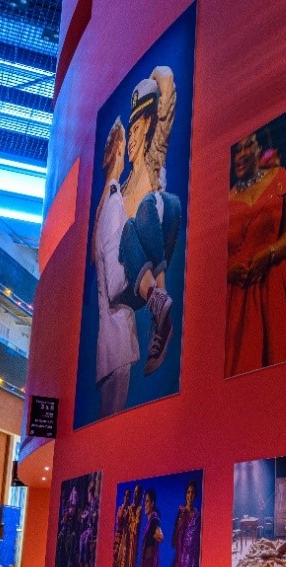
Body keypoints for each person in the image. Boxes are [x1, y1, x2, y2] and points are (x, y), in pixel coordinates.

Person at [115, 71, 182, 376]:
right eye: (129, 131)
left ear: (148, 127)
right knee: (130, 226)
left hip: (154, 244)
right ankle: (158, 305)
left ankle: (160, 303)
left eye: (137, 128)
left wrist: (154, 77)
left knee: (165, 203)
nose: (131, 139)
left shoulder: (153, 160)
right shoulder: (121, 188)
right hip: (128, 280)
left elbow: (167, 83)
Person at [226, 130, 286, 375]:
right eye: (236, 151)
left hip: (274, 287)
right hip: (237, 297)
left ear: (260, 149)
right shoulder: (223, 200)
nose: (240, 155)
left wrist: (269, 253)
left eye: (247, 146)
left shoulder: (279, 179)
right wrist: (228, 271)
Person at [93, 118, 139, 416]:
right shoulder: (113, 204)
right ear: (120, 147)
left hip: (112, 342)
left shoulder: (106, 204)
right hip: (118, 340)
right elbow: (115, 283)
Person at [169, 480, 201, 567]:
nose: (190, 495)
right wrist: (179, 526)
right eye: (188, 492)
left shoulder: (198, 515)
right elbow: (174, 538)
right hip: (182, 557)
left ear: (195, 495)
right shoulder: (181, 512)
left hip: (194, 557)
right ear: (185, 494)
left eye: (192, 492)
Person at [112, 485, 143, 567]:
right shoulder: (127, 509)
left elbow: (136, 525)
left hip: (131, 544)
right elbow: (121, 521)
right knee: (117, 565)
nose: (135, 495)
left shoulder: (139, 509)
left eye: (137, 493)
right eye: (134, 493)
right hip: (122, 541)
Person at [138, 488, 163, 567]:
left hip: (150, 564)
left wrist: (156, 535)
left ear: (152, 503)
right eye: (145, 501)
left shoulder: (154, 520)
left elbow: (160, 536)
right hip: (146, 563)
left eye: (147, 501)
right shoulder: (150, 521)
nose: (145, 504)